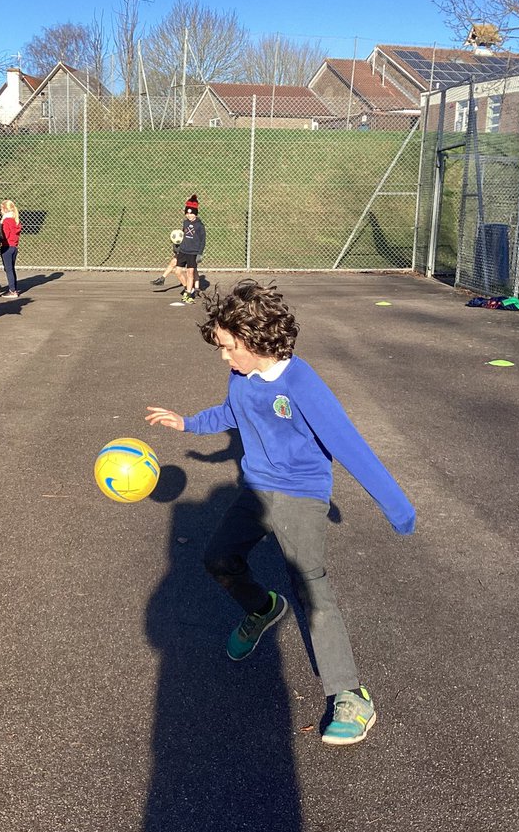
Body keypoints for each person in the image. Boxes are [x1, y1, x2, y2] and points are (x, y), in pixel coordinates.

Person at [145, 279, 415, 747]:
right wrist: (187, 422)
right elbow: (232, 413)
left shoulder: (301, 383)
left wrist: (397, 506)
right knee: (218, 559)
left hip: (302, 493)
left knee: (311, 586)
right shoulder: (241, 378)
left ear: (254, 339)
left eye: (229, 348)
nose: (223, 357)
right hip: (257, 489)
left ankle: (351, 694)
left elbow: (348, 444)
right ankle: (262, 608)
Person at [177, 195, 205, 304]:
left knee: (190, 273)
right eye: (187, 213)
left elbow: (203, 240)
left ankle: (188, 294)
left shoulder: (200, 226)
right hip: (183, 250)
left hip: (193, 252)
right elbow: (182, 234)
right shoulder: (185, 223)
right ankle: (188, 288)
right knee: (178, 271)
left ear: (195, 213)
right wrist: (177, 245)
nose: (189, 215)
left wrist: (200, 253)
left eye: (191, 213)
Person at [0, 200, 22, 299]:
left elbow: (5, 234)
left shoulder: (6, 220)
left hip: (7, 246)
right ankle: (14, 288)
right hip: (14, 247)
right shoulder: (15, 220)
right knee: (11, 269)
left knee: (8, 269)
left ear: (4, 209)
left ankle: (12, 291)